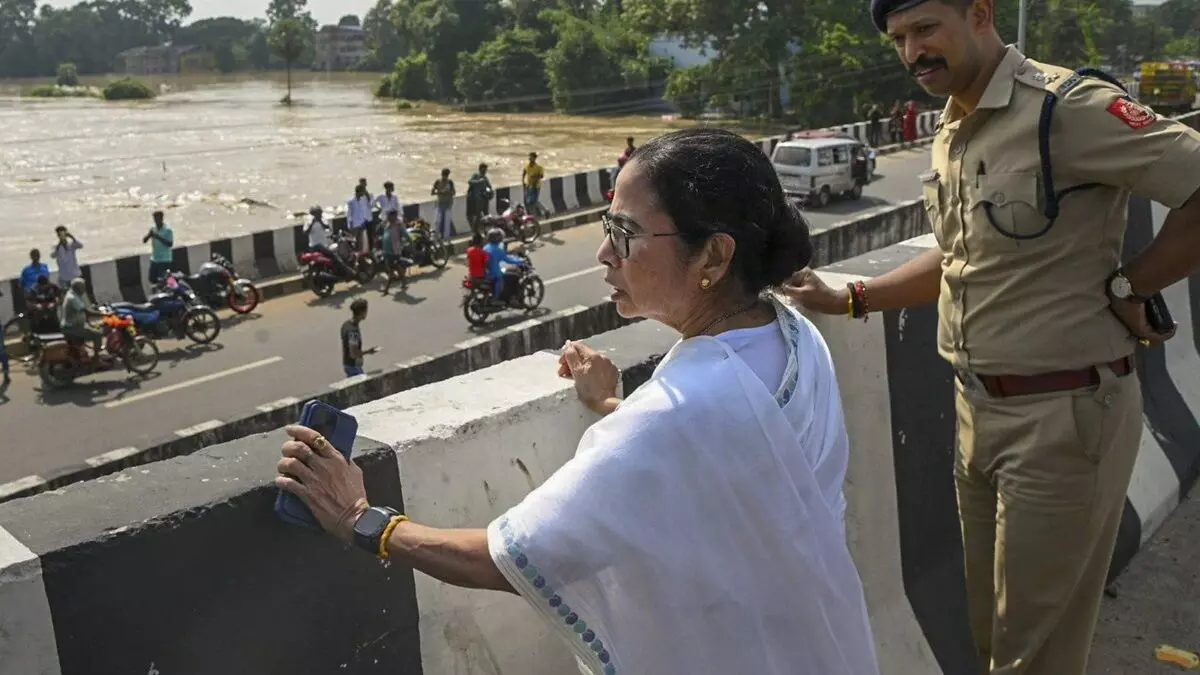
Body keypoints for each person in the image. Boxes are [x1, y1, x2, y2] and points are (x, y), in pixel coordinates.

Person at [273, 127, 881, 675]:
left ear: (715, 256)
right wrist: (616, 404)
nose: (604, 254)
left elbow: (514, 556)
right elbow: (724, 458)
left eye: (626, 233)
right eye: (606, 226)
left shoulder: (678, 413)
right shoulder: (791, 335)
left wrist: (361, 518)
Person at [785, 0, 1200, 672]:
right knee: (990, 631)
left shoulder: (1066, 109)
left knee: (1034, 652)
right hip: (979, 412)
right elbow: (959, 259)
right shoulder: (954, 127)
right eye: (898, 39)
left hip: (1065, 417)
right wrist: (853, 295)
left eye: (926, 29)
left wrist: (1131, 285)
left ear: (979, 13)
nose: (912, 52)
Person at [59, 277, 105, 360]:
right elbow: (87, 312)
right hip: (72, 328)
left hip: (75, 325)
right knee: (98, 334)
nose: (84, 289)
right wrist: (104, 314)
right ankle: (97, 360)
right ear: (78, 288)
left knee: (96, 327)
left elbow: (83, 311)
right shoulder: (73, 298)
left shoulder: (72, 293)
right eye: (83, 287)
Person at [483, 227, 527, 302]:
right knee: (515, 276)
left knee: (509, 271)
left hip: (487, 271)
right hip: (494, 273)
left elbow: (504, 257)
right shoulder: (497, 250)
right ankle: (499, 298)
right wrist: (521, 261)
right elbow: (508, 260)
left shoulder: (486, 247)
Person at [340, 299, 377, 378]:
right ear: (361, 312)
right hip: (353, 367)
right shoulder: (353, 332)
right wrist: (368, 352)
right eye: (366, 311)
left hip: (348, 364)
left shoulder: (346, 324)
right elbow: (353, 354)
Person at [379, 210, 412, 296]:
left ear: (394, 216)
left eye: (390, 216)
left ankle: (386, 289)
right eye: (387, 216)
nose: (388, 217)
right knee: (395, 268)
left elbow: (406, 236)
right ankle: (404, 282)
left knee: (391, 270)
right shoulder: (387, 224)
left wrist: (410, 244)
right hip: (386, 251)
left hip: (395, 251)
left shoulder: (399, 225)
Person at [142, 211, 174, 285]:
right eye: (154, 219)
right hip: (155, 259)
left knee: (165, 279)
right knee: (152, 279)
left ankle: (176, 288)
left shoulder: (168, 230)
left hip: (165, 259)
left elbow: (170, 244)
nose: (156, 221)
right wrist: (149, 235)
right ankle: (159, 291)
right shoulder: (153, 229)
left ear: (162, 218)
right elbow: (144, 241)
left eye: (157, 219)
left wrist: (158, 237)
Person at [467, 163, 494, 234]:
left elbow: (490, 187)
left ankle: (486, 230)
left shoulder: (485, 178)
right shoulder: (476, 175)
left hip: (483, 200)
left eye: (485, 170)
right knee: (476, 216)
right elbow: (470, 182)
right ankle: (475, 232)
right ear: (479, 169)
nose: (484, 171)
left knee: (486, 216)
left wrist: (490, 193)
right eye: (483, 170)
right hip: (475, 200)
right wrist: (479, 181)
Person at [431, 168, 456, 241]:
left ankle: (446, 238)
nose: (445, 177)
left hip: (448, 204)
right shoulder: (437, 182)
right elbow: (432, 193)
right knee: (437, 222)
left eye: (447, 175)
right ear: (442, 174)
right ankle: (435, 237)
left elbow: (454, 192)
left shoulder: (450, 182)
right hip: (439, 204)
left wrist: (448, 192)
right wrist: (440, 192)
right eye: (444, 175)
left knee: (447, 222)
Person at [346, 184, 373, 253]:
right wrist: (350, 225)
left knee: (361, 241)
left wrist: (365, 220)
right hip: (355, 225)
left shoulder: (362, 200)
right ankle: (355, 255)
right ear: (359, 192)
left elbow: (363, 211)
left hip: (362, 223)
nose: (363, 193)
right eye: (362, 192)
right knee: (355, 242)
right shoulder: (351, 201)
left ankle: (360, 255)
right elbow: (349, 214)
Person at [521, 151, 545, 217]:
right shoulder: (527, 166)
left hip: (536, 186)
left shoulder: (539, 167)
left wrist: (535, 177)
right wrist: (523, 182)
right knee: (531, 202)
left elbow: (541, 176)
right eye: (529, 157)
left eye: (531, 157)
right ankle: (544, 211)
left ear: (534, 158)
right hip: (529, 185)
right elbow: (524, 172)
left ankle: (536, 215)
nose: (530, 158)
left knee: (533, 201)